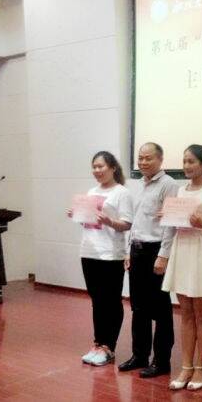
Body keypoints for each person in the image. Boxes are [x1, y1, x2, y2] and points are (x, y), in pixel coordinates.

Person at [161, 144, 202, 391]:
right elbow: (177, 223)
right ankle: (186, 366)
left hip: (200, 253)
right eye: (184, 161)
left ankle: (201, 366)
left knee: (201, 313)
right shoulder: (180, 191)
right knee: (185, 313)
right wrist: (166, 216)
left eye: (191, 161)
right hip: (182, 250)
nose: (186, 166)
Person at [118, 143, 178, 378]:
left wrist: (163, 255)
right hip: (137, 250)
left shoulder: (169, 184)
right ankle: (139, 355)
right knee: (138, 307)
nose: (143, 162)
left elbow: (171, 224)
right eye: (140, 158)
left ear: (160, 159)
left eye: (148, 158)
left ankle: (161, 361)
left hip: (155, 251)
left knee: (161, 309)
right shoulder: (138, 185)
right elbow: (135, 222)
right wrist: (127, 251)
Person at [68, 151, 132, 366]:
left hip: (110, 254)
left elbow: (127, 224)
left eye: (101, 166)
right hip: (89, 251)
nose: (97, 170)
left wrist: (109, 221)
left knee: (110, 300)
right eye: (94, 167)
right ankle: (98, 343)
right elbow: (88, 221)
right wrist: (77, 215)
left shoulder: (122, 193)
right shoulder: (92, 192)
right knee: (97, 300)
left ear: (113, 168)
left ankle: (108, 347)